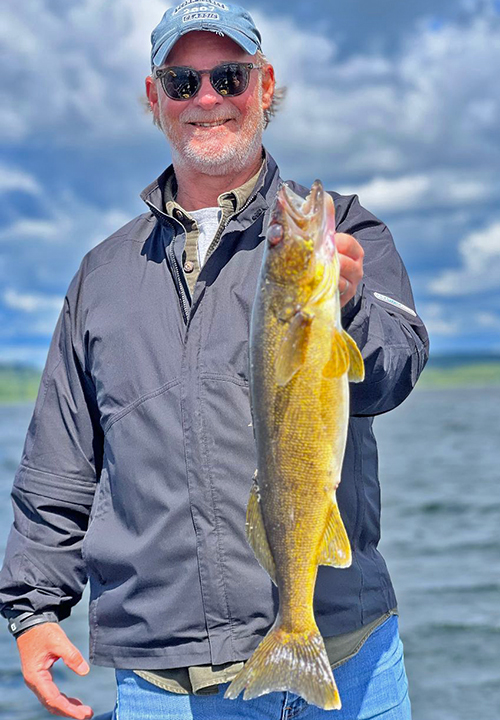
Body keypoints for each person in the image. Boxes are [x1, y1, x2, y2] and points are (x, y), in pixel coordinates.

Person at [0, 2, 429, 719]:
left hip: (349, 663)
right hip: (170, 687)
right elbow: (60, 459)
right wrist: (34, 608)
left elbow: (396, 370)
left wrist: (347, 307)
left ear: (264, 86)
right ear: (154, 98)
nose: (207, 99)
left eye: (229, 76)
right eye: (182, 81)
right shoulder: (100, 276)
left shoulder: (344, 230)